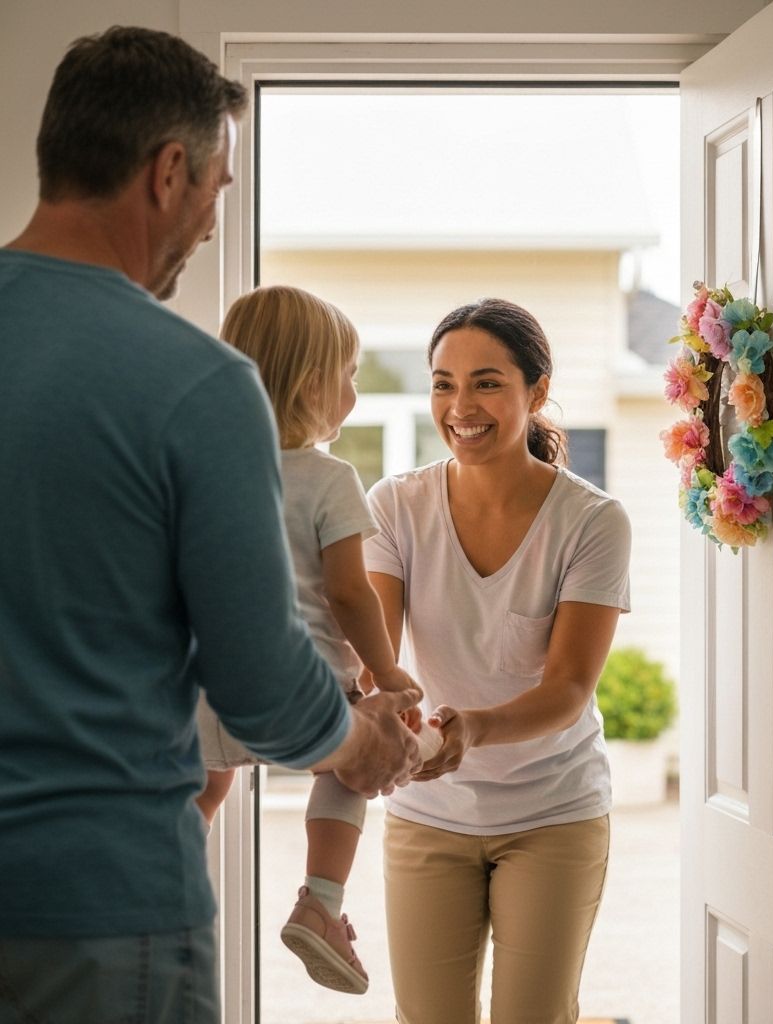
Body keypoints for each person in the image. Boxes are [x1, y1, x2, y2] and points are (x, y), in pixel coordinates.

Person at [0, 27, 419, 1024]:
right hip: (100, 907)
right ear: (168, 171)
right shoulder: (195, 385)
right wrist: (356, 747)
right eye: (216, 189)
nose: (208, 216)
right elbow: (258, 676)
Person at [364, 297, 632, 1024]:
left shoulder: (592, 521)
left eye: (486, 382)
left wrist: (471, 730)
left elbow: (569, 687)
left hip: (554, 810)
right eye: (443, 382)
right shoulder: (394, 505)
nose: (460, 406)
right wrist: (374, 713)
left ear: (535, 391)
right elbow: (376, 654)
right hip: (429, 811)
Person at [194, 285, 434, 994]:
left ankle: (165, 889)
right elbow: (350, 592)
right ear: (310, 386)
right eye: (351, 375)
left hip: (211, 681)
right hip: (305, 684)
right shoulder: (330, 479)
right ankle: (320, 903)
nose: (356, 391)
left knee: (206, 785)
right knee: (347, 770)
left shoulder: (205, 472)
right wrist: (385, 671)